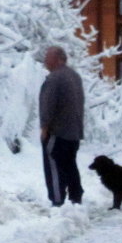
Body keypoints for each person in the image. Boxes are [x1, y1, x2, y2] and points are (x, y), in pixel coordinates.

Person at [39, 45, 84, 206]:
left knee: (54, 166)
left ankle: (57, 200)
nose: (45, 60)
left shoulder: (54, 78)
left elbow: (48, 105)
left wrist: (45, 128)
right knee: (70, 164)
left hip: (58, 133)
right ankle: (76, 196)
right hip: (74, 132)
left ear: (58, 59)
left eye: (47, 57)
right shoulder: (75, 76)